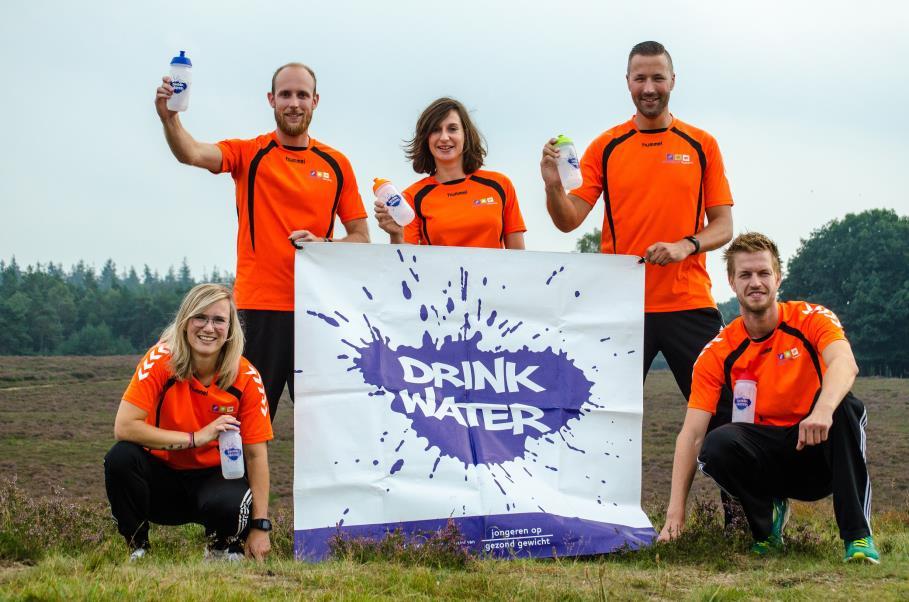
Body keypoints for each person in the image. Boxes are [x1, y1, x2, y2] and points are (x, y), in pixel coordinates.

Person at [155, 62, 369, 420]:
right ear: (271, 99)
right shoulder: (249, 153)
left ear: (315, 101)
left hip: (318, 311)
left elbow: (361, 237)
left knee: (327, 424)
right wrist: (169, 119)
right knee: (244, 419)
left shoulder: (336, 163)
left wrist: (324, 244)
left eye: (302, 95)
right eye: (285, 94)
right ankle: (241, 480)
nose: (294, 103)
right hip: (258, 311)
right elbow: (191, 153)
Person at [658, 232, 879, 563]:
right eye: (745, 275)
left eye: (763, 273)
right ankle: (767, 527)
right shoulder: (718, 351)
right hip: (767, 459)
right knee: (716, 444)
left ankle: (858, 538)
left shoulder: (811, 318)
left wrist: (822, 410)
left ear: (778, 277)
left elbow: (845, 363)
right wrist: (675, 516)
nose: (755, 282)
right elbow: (690, 436)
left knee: (846, 407)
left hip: (818, 451)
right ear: (731, 282)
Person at [539, 41, 733, 408]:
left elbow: (723, 226)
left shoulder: (701, 144)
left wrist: (684, 245)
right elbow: (569, 220)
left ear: (673, 80)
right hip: (621, 303)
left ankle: (717, 469)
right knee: (603, 413)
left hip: (687, 302)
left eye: (657, 78)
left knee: (719, 412)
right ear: (627, 81)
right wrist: (552, 187)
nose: (648, 88)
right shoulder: (606, 146)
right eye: (640, 78)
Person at [104, 284, 274, 561]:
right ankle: (138, 548)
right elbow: (124, 427)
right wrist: (195, 438)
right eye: (200, 317)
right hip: (162, 480)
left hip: (215, 480)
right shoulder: (159, 360)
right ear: (185, 322)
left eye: (219, 320)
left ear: (231, 329)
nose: (209, 328)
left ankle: (221, 549)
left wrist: (260, 526)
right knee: (120, 458)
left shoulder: (247, 377)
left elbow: (256, 456)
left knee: (230, 502)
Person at [375, 97, 526, 249]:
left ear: (465, 134)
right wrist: (395, 235)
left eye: (452, 129)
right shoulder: (412, 198)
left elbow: (519, 259)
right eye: (435, 130)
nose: (444, 137)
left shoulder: (500, 184)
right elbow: (406, 264)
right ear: (426, 139)